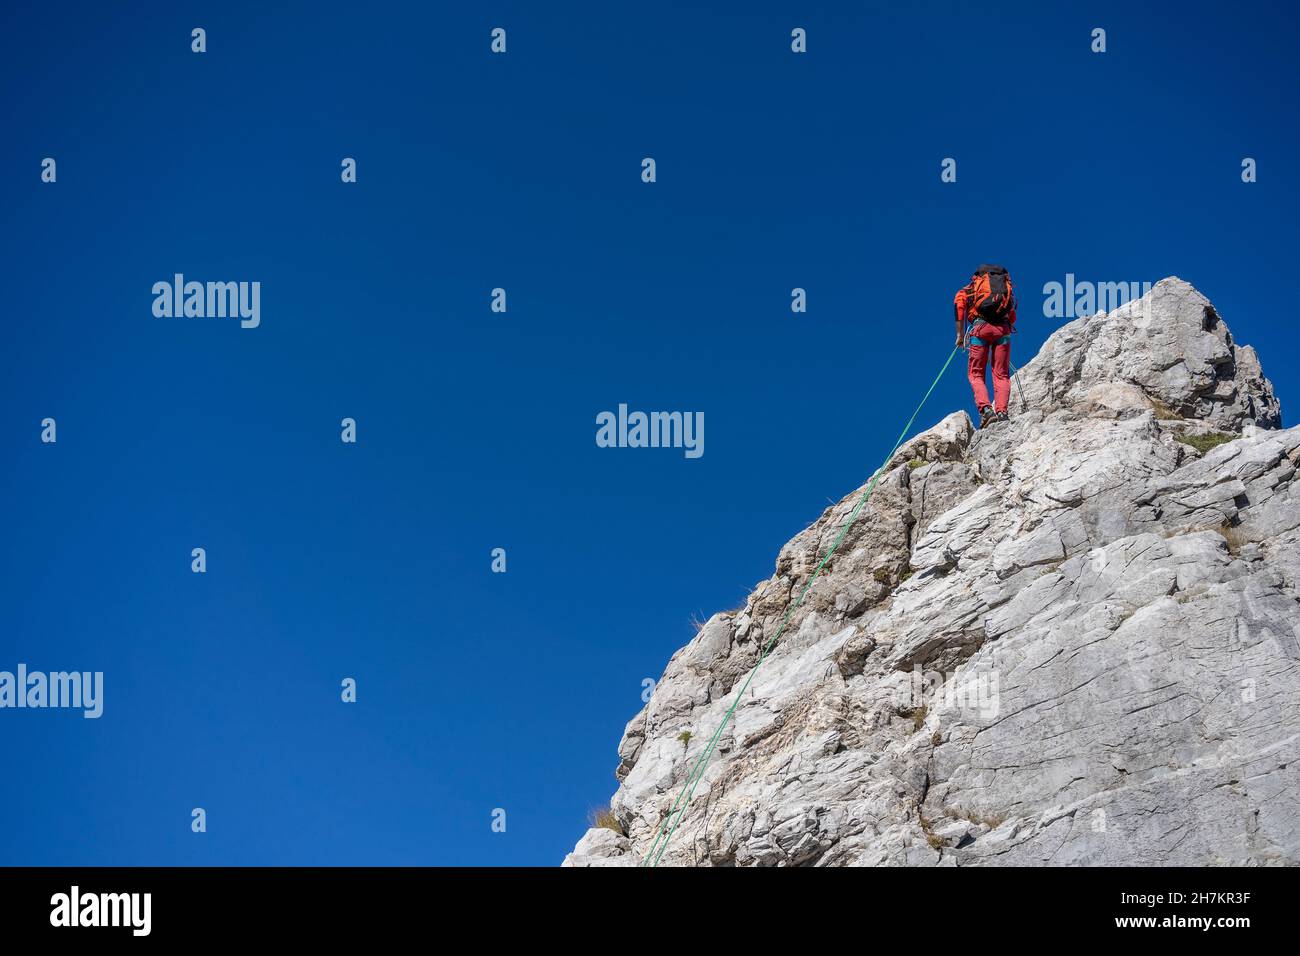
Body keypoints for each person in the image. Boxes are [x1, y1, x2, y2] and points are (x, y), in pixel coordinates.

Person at [954, 264, 1016, 428]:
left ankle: (987, 411)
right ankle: (1002, 412)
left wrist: (960, 337)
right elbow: (1012, 315)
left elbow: (959, 307)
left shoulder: (969, 289)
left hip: (980, 330)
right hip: (1003, 332)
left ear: (977, 276)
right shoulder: (1004, 290)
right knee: (1001, 375)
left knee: (976, 374)